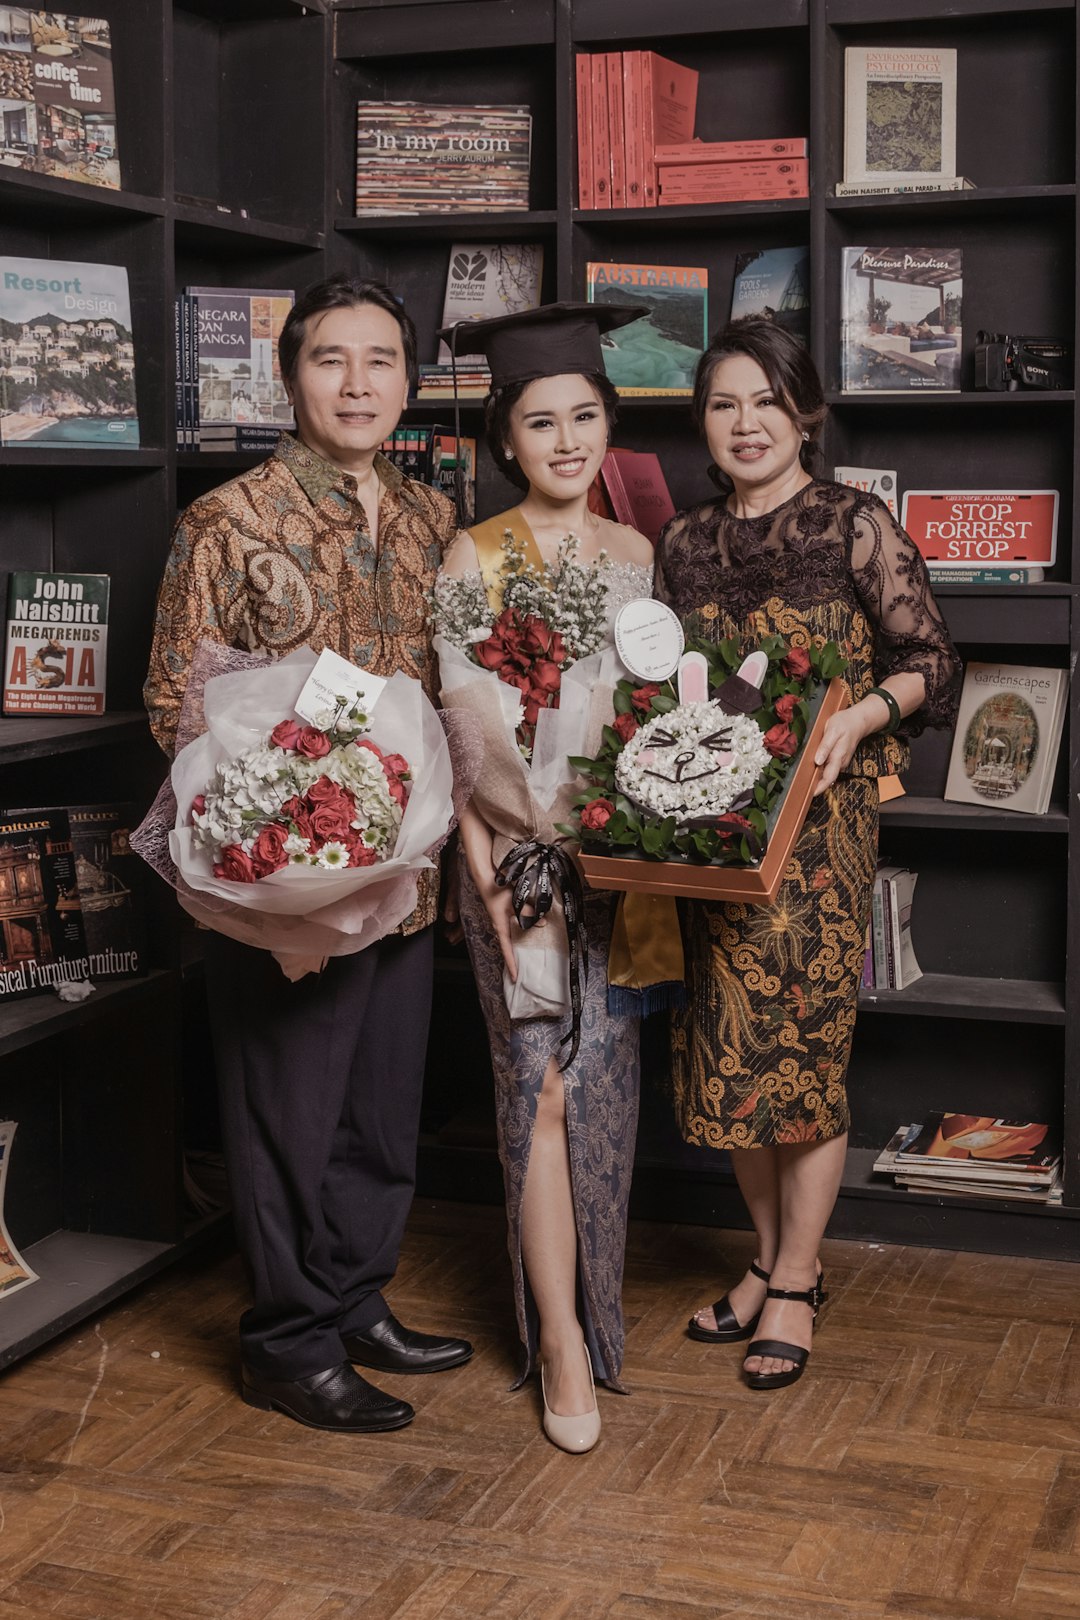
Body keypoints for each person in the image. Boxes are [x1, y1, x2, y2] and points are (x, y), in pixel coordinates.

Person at [144, 274, 472, 1434]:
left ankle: (352, 1297)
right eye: (332, 359)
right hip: (288, 889)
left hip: (409, 878)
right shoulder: (226, 521)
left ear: (409, 381)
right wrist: (295, 809)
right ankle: (286, 1341)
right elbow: (173, 707)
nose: (358, 383)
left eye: (380, 360)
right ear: (291, 376)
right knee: (288, 1115)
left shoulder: (434, 518)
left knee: (381, 1115)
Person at [653, 317, 960, 1390]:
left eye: (766, 401)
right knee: (728, 1063)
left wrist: (862, 716)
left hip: (822, 838)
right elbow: (666, 692)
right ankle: (771, 1260)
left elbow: (932, 657)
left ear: (806, 412)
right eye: (724, 403)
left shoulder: (853, 525)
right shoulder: (682, 545)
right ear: (705, 420)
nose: (746, 423)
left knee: (804, 1061)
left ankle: (793, 1281)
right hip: (712, 834)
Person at [437, 303, 654, 1452]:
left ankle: (601, 1314)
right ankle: (560, 1341)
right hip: (516, 870)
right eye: (539, 422)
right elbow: (465, 740)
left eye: (583, 416)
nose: (566, 440)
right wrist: (483, 878)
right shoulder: (474, 555)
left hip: (616, 871)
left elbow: (662, 713)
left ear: (606, 425)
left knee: (605, 1092)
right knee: (541, 1092)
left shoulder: (639, 553)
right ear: (506, 440)